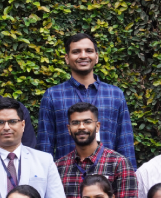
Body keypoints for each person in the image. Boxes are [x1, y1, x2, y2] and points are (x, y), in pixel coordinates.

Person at [38, 32, 137, 169]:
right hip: (67, 178)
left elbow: (125, 143)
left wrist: (129, 177)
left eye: (89, 51)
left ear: (96, 57)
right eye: (76, 52)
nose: (83, 55)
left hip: (108, 177)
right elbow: (45, 145)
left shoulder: (114, 94)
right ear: (67, 58)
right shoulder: (53, 95)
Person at [55, 102, 137, 198]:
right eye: (75, 123)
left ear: (97, 126)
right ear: (68, 128)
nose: (81, 127)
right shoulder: (59, 167)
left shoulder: (119, 163)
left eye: (87, 122)